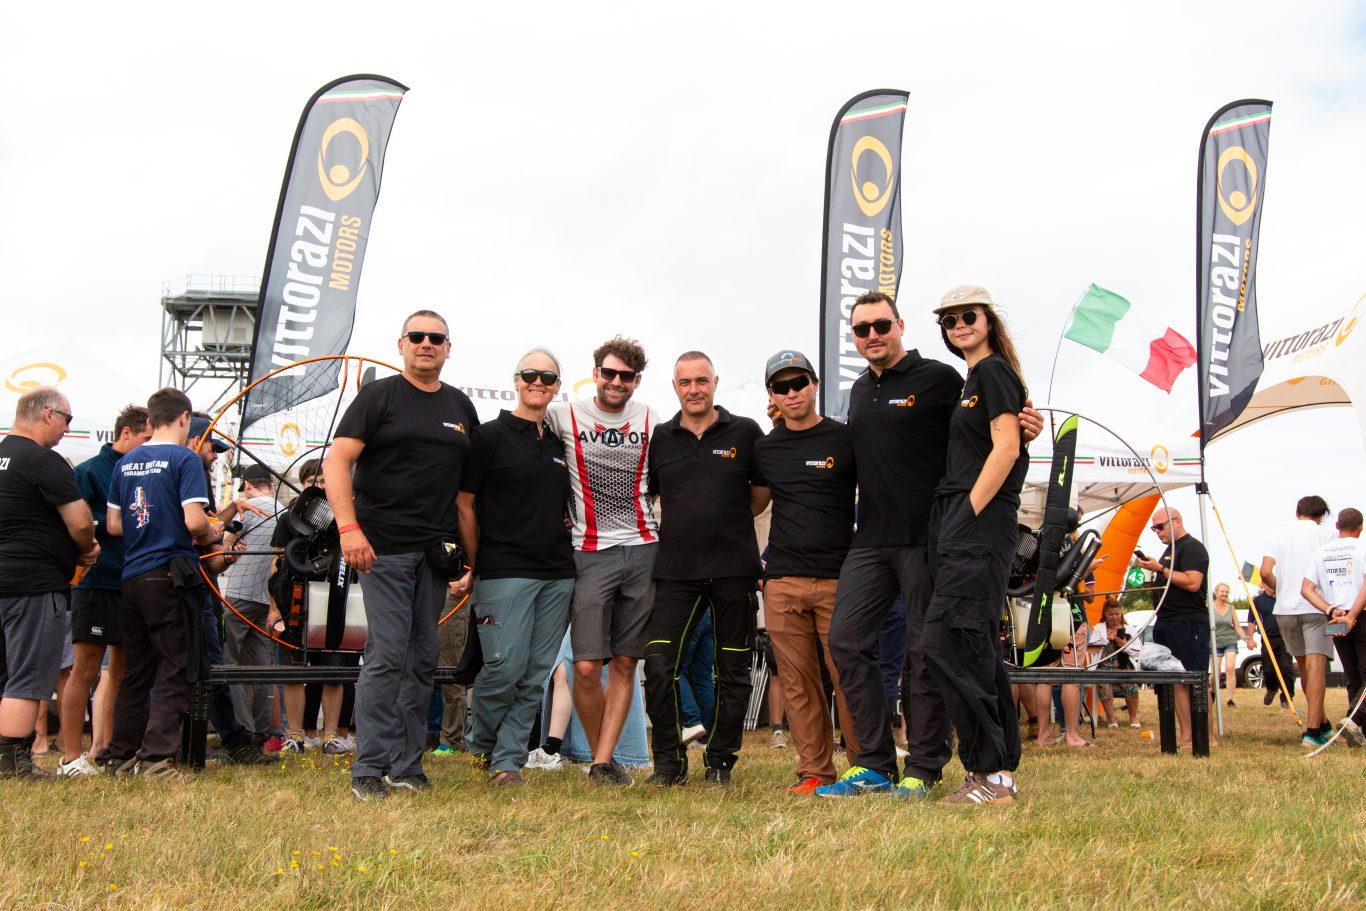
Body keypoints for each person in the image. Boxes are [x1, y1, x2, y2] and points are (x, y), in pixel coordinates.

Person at [816, 290, 1041, 800]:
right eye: (862, 329)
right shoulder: (858, 391)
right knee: (845, 641)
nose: (872, 335)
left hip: (931, 536)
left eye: (881, 325)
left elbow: (987, 434)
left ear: (900, 326)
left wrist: (1025, 428)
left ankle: (924, 766)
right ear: (854, 338)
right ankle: (873, 764)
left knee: (927, 652)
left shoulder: (942, 379)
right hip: (871, 540)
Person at [325, 310, 480, 801]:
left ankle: (407, 766)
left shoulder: (460, 406)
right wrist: (349, 529)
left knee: (423, 657)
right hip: (382, 549)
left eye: (436, 337)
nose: (426, 343)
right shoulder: (379, 397)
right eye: (417, 336)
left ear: (449, 348)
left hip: (435, 554)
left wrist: (473, 561)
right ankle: (368, 769)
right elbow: (336, 461)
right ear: (401, 344)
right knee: (388, 654)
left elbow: (468, 496)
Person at [917, 285, 1029, 805]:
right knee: (970, 644)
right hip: (959, 520)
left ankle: (991, 772)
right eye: (949, 319)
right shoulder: (973, 379)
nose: (959, 324)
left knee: (951, 641)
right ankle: (994, 772)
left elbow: (1006, 449)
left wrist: (966, 514)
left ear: (989, 319)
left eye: (968, 315)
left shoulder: (994, 371)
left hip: (977, 522)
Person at [643, 351, 765, 787]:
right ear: (674, 387)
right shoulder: (661, 437)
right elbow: (652, 494)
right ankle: (668, 764)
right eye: (685, 382)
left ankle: (720, 762)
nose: (693, 389)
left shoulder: (746, 432)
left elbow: (760, 495)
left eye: (701, 381)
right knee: (658, 663)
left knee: (732, 670)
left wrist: (725, 521)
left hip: (734, 570)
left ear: (714, 382)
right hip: (676, 572)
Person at [545, 336, 661, 787]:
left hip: (644, 548)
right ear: (595, 374)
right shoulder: (564, 414)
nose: (616, 382)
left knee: (627, 663)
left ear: (637, 381)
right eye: (609, 373)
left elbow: (663, 479)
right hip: (590, 552)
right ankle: (601, 756)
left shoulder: (650, 418)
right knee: (586, 666)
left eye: (626, 376)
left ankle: (601, 764)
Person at [457, 349, 576, 786]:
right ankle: (483, 743)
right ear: (516, 380)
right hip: (503, 570)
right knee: (503, 668)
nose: (537, 381)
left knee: (534, 676)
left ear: (557, 386)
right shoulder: (487, 437)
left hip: (558, 573)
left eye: (547, 376)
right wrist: (475, 562)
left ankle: (507, 762)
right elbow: (464, 504)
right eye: (530, 374)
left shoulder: (561, 444)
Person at [750, 349, 861, 794]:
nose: (792, 392)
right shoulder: (764, 448)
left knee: (849, 676)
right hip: (783, 580)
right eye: (782, 386)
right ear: (772, 395)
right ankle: (814, 771)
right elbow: (751, 504)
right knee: (797, 682)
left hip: (839, 577)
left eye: (799, 383)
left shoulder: (844, 438)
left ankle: (865, 765)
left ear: (814, 385)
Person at [104, 388, 219, 779]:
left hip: (133, 574)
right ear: (185, 418)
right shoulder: (185, 459)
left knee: (136, 669)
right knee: (175, 664)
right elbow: (194, 521)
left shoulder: (126, 461)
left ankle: (120, 755)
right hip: (170, 571)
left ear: (151, 421)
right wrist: (211, 534)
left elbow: (114, 525)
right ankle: (155, 758)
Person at [0, 387, 99, 779]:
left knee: (5, 675)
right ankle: (11, 761)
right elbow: (80, 521)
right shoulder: (44, 460)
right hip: (34, 583)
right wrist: (86, 550)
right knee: (27, 677)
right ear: (47, 414)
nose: (67, 429)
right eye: (66, 420)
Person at [57, 404, 150, 776]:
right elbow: (72, 524)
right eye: (146, 438)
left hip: (133, 582)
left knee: (124, 671)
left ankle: (113, 749)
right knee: (86, 669)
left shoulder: (144, 471)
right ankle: (71, 757)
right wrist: (107, 525)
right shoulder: (89, 472)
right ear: (126, 432)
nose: (149, 445)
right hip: (96, 583)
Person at [1260, 496, 1334, 746]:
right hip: (1315, 606)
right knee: (1316, 669)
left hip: (1285, 610)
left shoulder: (1277, 536)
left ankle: (1323, 724)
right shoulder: (1327, 535)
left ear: (1297, 512)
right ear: (1321, 515)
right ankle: (1312, 732)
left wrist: (1280, 589)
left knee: (1304, 668)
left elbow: (1264, 572)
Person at [1137, 507, 1209, 748]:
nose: (1157, 532)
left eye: (1160, 526)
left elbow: (1193, 582)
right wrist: (1151, 576)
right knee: (1174, 680)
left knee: (1195, 679)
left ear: (1176, 521)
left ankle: (1206, 737)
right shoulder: (1170, 551)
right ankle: (1186, 735)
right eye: (1154, 528)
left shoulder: (1193, 548)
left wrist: (1161, 569)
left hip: (1188, 622)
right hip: (1167, 621)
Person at [219, 463, 279, 743]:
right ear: (271, 484)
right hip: (267, 600)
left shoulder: (248, 509)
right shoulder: (284, 512)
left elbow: (223, 544)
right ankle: (263, 732)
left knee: (230, 665)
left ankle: (243, 731)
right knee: (262, 668)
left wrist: (232, 542)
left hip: (239, 598)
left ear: (247, 486)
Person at [1300, 507, 1366, 747]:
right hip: (1360, 615)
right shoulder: (1363, 548)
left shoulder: (1321, 552)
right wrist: (1353, 615)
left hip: (1335, 617)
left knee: (1353, 676)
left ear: (1337, 526)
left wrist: (1329, 609)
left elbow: (1306, 589)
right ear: (1361, 527)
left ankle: (1359, 732)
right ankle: (1354, 720)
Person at [1087, 598, 1141, 728]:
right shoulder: (1099, 628)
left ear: (1121, 613)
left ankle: (1133, 718)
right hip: (1104, 668)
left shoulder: (1130, 629)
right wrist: (1106, 640)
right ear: (1105, 614)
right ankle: (1111, 720)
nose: (1114, 617)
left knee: (1131, 686)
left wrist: (1125, 645)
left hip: (1124, 667)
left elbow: (1137, 652)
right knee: (1104, 685)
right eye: (1111, 614)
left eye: (1117, 614)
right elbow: (1091, 648)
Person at [1210, 582, 1254, 708]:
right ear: (1216, 592)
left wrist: (1247, 640)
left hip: (1230, 640)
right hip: (1214, 642)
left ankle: (1230, 700)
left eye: (1226, 592)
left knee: (1230, 668)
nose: (1224, 594)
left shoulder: (1231, 608)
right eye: (1222, 591)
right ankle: (1212, 691)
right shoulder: (1209, 607)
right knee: (1216, 673)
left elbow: (1237, 626)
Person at [1250, 586, 1293, 707]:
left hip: (1284, 638)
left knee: (1286, 668)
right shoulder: (1257, 601)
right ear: (1263, 585)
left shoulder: (1282, 596)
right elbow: (1251, 621)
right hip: (1267, 638)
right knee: (1268, 669)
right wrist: (1250, 639)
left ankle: (1287, 697)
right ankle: (1272, 689)